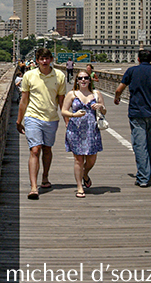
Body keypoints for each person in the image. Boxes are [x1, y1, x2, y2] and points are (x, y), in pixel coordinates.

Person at [114, 50, 151, 187]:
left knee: (140, 145)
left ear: (138, 59)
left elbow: (119, 89)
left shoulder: (131, 71)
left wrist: (117, 97)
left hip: (136, 112)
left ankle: (143, 177)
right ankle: (150, 169)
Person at [18, 48, 69, 199]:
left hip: (51, 118)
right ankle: (34, 187)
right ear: (37, 60)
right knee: (35, 149)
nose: (45, 61)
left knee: (47, 149)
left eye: (47, 58)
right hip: (32, 117)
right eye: (42, 59)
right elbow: (24, 100)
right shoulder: (29, 76)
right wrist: (19, 120)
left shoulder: (59, 76)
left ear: (51, 59)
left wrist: (67, 121)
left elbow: (61, 101)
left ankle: (45, 177)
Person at [61, 70, 104, 198]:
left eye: (86, 78)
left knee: (91, 159)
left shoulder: (96, 94)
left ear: (90, 80)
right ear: (77, 81)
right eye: (80, 78)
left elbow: (104, 110)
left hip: (92, 129)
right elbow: (63, 111)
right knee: (78, 159)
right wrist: (74, 115)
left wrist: (100, 107)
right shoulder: (72, 94)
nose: (83, 80)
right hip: (75, 129)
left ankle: (85, 174)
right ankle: (79, 186)